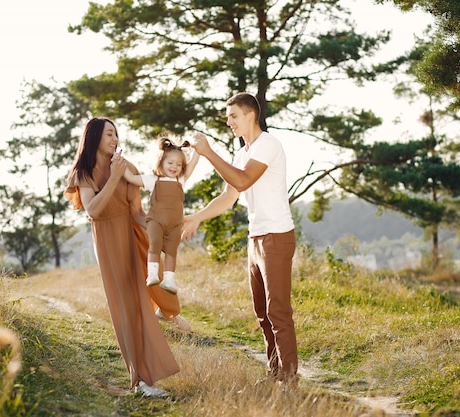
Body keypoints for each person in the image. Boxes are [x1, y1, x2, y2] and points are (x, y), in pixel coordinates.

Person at [64, 117, 188, 398]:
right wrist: (115, 176)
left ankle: (168, 311)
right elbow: (93, 210)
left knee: (144, 297)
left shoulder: (127, 167)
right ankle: (141, 380)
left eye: (116, 134)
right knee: (126, 308)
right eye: (109, 134)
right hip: (108, 241)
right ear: (94, 138)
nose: (115, 139)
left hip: (133, 235)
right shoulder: (83, 172)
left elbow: (136, 212)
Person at [182, 92, 298, 385]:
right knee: (262, 313)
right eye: (227, 116)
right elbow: (229, 196)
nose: (228, 121)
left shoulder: (268, 144)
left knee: (278, 311)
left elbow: (244, 180)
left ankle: (290, 380)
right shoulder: (242, 153)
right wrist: (197, 217)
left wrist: (208, 153)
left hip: (276, 236)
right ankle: (276, 374)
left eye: (233, 115)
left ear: (250, 115)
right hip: (255, 238)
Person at [123, 136, 200, 294]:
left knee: (172, 251)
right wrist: (119, 162)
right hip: (155, 221)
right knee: (155, 243)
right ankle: (152, 274)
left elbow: (193, 163)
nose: (175, 167)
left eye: (179, 164)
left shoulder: (181, 180)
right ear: (161, 162)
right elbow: (130, 178)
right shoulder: (153, 180)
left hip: (175, 224)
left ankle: (169, 280)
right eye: (170, 163)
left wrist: (199, 151)